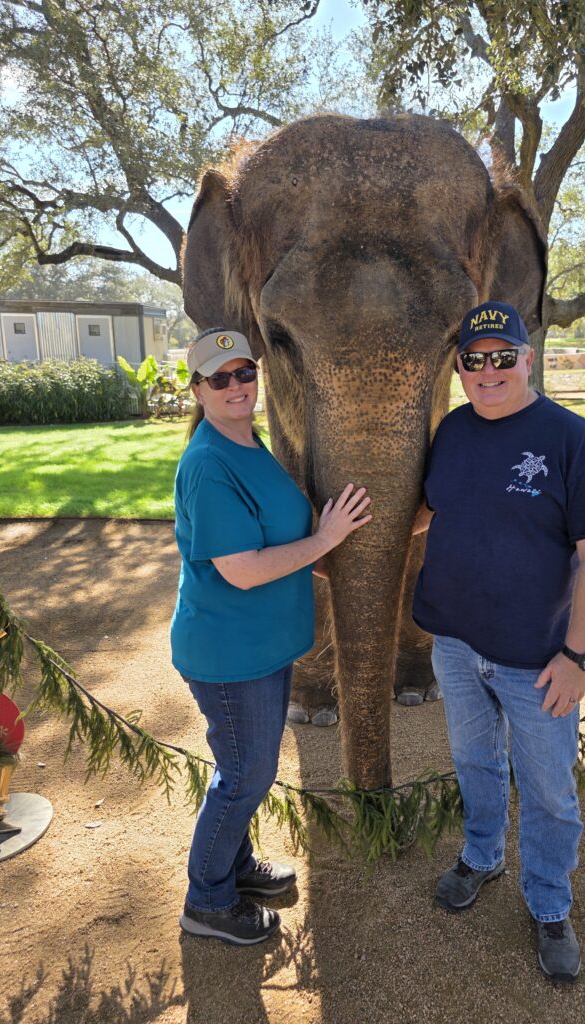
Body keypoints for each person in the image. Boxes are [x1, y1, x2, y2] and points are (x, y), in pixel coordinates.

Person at [412, 301, 585, 982]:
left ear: (529, 359)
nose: (489, 370)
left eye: (505, 356)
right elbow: (429, 509)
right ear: (461, 367)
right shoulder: (451, 433)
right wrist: (339, 540)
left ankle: (550, 902)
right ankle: (482, 855)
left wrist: (578, 655)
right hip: (456, 646)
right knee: (475, 764)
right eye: (475, 359)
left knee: (550, 788)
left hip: (539, 661)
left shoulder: (570, 439)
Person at [171, 327, 371, 947]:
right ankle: (207, 900)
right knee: (247, 775)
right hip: (230, 654)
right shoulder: (207, 464)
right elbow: (243, 568)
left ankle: (231, 865)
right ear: (199, 389)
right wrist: (326, 541)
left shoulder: (247, 444)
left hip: (259, 646)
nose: (237, 386)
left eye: (245, 373)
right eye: (220, 378)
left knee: (241, 765)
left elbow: (271, 536)